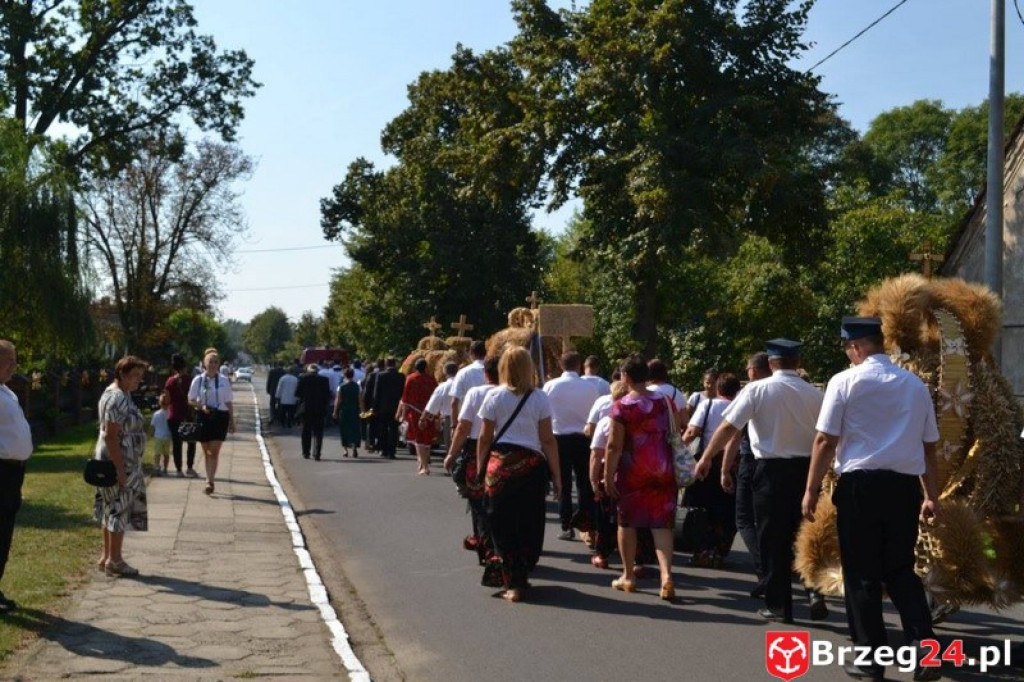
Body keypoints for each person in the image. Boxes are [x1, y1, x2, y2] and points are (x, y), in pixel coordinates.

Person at [803, 317, 941, 681]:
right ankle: (925, 651)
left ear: (855, 347)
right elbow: (929, 447)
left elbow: (825, 440)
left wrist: (811, 489)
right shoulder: (915, 385)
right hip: (903, 489)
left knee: (862, 575)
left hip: (860, 488)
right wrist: (931, 495)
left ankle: (869, 659)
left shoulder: (844, 381)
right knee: (900, 571)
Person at [476, 347, 561, 602]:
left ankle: (512, 581)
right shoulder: (540, 398)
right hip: (531, 467)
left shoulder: (494, 396)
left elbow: (485, 438)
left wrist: (481, 468)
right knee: (528, 522)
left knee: (501, 523)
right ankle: (522, 573)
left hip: (500, 467)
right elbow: (547, 439)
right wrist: (557, 476)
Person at [604, 353, 677, 601]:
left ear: (625, 377)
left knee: (627, 523)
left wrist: (608, 475)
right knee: (661, 524)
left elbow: (614, 445)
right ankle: (666, 576)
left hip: (633, 471)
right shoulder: (665, 401)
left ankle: (628, 576)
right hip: (663, 468)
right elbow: (677, 429)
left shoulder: (622, 406)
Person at [95, 355, 150, 577]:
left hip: (118, 460)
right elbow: (111, 435)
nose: (139, 380)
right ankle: (115, 560)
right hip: (120, 462)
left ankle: (107, 556)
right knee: (119, 509)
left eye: (141, 375)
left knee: (110, 509)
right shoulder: (117, 398)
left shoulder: (118, 393)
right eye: (135, 375)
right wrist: (119, 469)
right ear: (122, 374)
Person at [444, 355, 500, 565]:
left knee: (477, 500)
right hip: (503, 450)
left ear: (485, 374)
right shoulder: (512, 393)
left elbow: (463, 426)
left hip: (476, 449)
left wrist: (452, 453)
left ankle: (483, 544)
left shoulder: (476, 393)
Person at [682, 371, 741, 568]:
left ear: (718, 388)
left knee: (701, 506)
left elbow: (692, 431)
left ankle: (702, 550)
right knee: (725, 508)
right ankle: (719, 550)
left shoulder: (708, 405)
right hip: (732, 462)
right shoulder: (740, 407)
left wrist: (678, 448)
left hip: (706, 462)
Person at [543, 352, 600, 540]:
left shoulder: (550, 386)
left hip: (559, 439)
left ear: (561, 365)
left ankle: (566, 524)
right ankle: (586, 522)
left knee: (562, 482)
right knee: (584, 482)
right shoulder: (590, 387)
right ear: (579, 365)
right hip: (584, 438)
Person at [0, 340, 32, 609]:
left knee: (5, 530)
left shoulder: (6, 392)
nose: (14, 365)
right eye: (9, 360)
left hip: (13, 472)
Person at [737, 352, 771, 597]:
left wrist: (712, 460)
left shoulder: (752, 391)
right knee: (778, 522)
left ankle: (765, 571)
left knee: (745, 519)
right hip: (793, 463)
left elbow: (733, 429)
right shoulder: (800, 391)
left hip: (753, 460)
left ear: (754, 371)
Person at [188, 350, 235, 495]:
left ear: (219, 364)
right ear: (204, 364)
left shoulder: (224, 380)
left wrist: (232, 421)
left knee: (214, 451)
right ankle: (209, 477)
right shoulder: (198, 380)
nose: (213, 364)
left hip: (220, 417)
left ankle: (210, 481)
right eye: (210, 362)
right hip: (203, 416)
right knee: (207, 451)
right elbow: (190, 400)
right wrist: (201, 406)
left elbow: (228, 402)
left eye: (216, 362)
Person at [397, 358, 438, 474]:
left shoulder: (410, 379)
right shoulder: (431, 380)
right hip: (430, 412)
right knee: (427, 438)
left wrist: (403, 415)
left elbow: (405, 399)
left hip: (415, 412)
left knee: (418, 438)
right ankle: (422, 462)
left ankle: (424, 465)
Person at [164, 353, 198, 478]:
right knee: (191, 443)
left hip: (174, 416)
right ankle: (190, 468)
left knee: (177, 444)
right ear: (185, 366)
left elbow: (167, 401)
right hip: (188, 416)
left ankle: (179, 470)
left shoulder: (170, 381)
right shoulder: (191, 380)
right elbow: (195, 398)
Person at [296, 363, 332, 461]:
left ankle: (306, 452)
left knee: (306, 431)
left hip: (306, 408)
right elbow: (327, 395)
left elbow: (297, 393)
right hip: (319, 409)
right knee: (318, 432)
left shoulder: (303, 379)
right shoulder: (324, 380)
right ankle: (317, 453)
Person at [421, 361, 458, 454]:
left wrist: (422, 418)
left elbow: (431, 405)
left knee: (451, 449)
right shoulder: (464, 384)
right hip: (465, 419)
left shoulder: (442, 387)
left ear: (444, 372)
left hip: (449, 420)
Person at [373, 358, 405, 459]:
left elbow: (376, 393)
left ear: (386, 364)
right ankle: (392, 451)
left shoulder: (381, 375)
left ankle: (384, 450)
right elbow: (403, 393)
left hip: (383, 406)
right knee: (394, 429)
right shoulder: (401, 376)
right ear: (395, 364)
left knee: (383, 429)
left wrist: (375, 407)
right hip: (396, 407)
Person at [450, 340, 486, 419]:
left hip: (466, 421)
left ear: (471, 353)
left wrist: (454, 424)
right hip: (491, 422)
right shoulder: (496, 371)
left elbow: (454, 402)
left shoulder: (463, 372)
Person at [333, 368, 362, 457]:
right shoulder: (357, 386)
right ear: (353, 375)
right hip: (354, 410)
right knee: (354, 429)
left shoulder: (341, 386)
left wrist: (335, 411)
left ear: (345, 375)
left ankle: (345, 450)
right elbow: (360, 400)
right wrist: (362, 410)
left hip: (344, 410)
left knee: (344, 429)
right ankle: (354, 447)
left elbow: (338, 400)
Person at [149, 391, 172, 476]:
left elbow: (152, 426)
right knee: (166, 454)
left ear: (160, 403)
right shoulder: (170, 413)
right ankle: (165, 469)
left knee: (157, 453)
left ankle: (157, 467)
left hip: (158, 436)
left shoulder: (156, 414)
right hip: (167, 436)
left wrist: (149, 435)